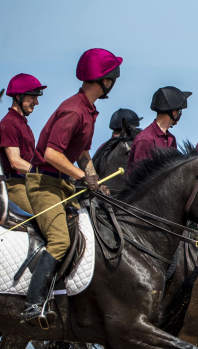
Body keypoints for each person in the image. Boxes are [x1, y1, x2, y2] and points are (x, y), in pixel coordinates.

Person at [22, 48, 121, 324]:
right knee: (60, 240)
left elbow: (84, 152)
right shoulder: (74, 110)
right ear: (105, 81)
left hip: (62, 183)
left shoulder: (88, 111)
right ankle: (33, 305)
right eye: (113, 78)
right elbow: (52, 155)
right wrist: (80, 176)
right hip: (43, 184)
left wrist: (95, 180)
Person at [1, 73, 46, 214]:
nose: (37, 102)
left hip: (28, 182)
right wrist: (45, 174)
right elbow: (15, 162)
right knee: (45, 219)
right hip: (15, 185)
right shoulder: (9, 124)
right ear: (18, 97)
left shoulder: (22, 124)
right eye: (33, 97)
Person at [128, 86, 192, 167]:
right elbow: (141, 178)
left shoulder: (171, 138)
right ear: (174, 112)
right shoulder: (146, 140)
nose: (181, 114)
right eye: (180, 111)